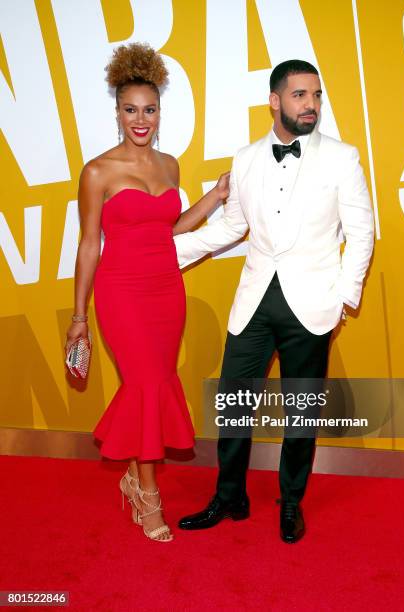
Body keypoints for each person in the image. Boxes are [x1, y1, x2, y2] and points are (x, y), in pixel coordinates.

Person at [174, 59, 374, 543]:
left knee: (301, 411)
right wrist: (167, 251)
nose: (311, 105)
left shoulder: (342, 157)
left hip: (314, 303)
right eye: (301, 95)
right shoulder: (245, 159)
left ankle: (291, 501)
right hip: (255, 301)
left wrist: (343, 299)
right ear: (275, 100)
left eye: (317, 95)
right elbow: (232, 226)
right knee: (234, 404)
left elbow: (362, 231)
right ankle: (229, 496)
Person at [64, 43, 229, 542]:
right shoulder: (98, 171)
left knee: (154, 384)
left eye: (150, 110)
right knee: (146, 386)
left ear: (160, 113)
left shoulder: (171, 166)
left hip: (165, 290)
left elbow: (172, 228)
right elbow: (90, 243)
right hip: (121, 293)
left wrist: (217, 196)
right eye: (131, 110)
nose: (141, 120)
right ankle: (148, 495)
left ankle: (136, 480)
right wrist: (79, 315)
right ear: (116, 111)